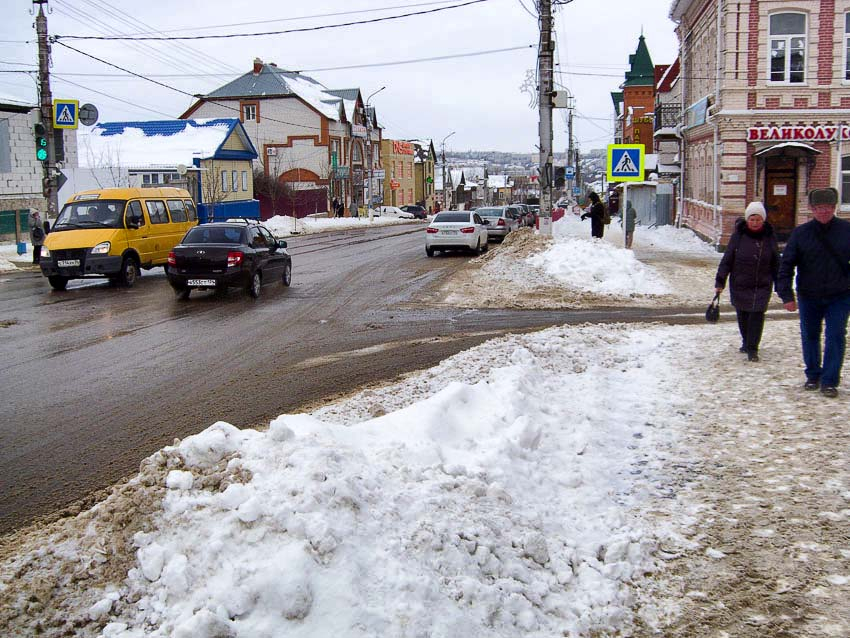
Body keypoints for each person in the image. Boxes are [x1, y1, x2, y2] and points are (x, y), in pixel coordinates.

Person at [777, 187, 850, 398]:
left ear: (834, 208)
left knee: (836, 335)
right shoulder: (801, 234)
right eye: (819, 208)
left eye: (828, 207)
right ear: (811, 209)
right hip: (809, 295)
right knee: (810, 335)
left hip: (840, 294)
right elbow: (786, 265)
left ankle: (829, 380)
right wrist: (786, 295)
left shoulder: (846, 231)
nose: (824, 212)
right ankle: (813, 374)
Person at [714, 201, 780, 362]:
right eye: (752, 219)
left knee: (756, 316)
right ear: (747, 220)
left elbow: (776, 261)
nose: (755, 223)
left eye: (758, 220)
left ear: (763, 220)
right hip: (740, 283)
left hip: (762, 284)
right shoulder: (738, 236)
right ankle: (746, 340)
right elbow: (727, 259)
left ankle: (753, 348)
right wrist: (720, 281)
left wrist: (780, 283)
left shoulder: (769, 237)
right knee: (743, 315)